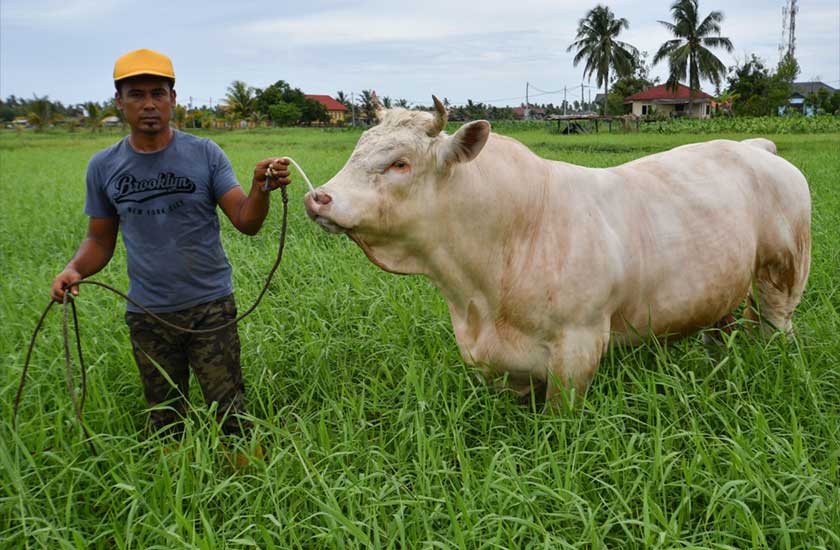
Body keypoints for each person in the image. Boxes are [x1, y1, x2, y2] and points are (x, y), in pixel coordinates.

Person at [50, 48, 290, 439]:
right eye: (136, 94)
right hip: (148, 314)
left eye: (158, 93)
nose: (149, 104)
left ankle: (246, 485)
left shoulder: (205, 153)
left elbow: (246, 221)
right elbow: (99, 239)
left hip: (210, 308)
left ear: (173, 100)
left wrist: (261, 189)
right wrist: (74, 269)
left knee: (231, 415)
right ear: (119, 101)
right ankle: (174, 486)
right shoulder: (104, 167)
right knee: (165, 421)